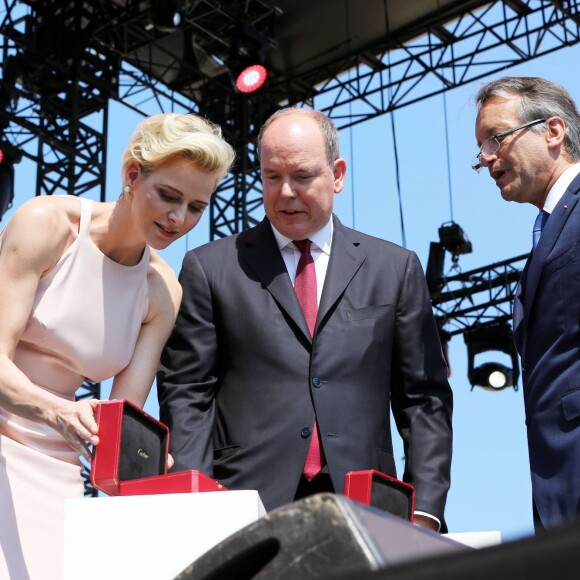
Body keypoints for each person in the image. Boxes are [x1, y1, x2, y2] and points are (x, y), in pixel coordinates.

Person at [157, 107, 453, 532]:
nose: (285, 193)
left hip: (368, 509)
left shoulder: (395, 268)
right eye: (272, 177)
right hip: (243, 506)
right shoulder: (210, 268)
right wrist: (198, 499)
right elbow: (187, 392)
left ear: (337, 174)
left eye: (302, 176)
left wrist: (424, 509)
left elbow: (424, 400)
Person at [0, 112, 235, 579]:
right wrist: (60, 412)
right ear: (131, 175)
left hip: (59, 469)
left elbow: (120, 416)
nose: (177, 218)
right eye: (168, 195)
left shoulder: (162, 292)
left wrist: (145, 459)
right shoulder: (47, 224)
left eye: (195, 207)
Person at [473, 76, 580, 530]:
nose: (485, 158)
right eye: (480, 147)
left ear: (553, 131)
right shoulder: (548, 228)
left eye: (496, 138)